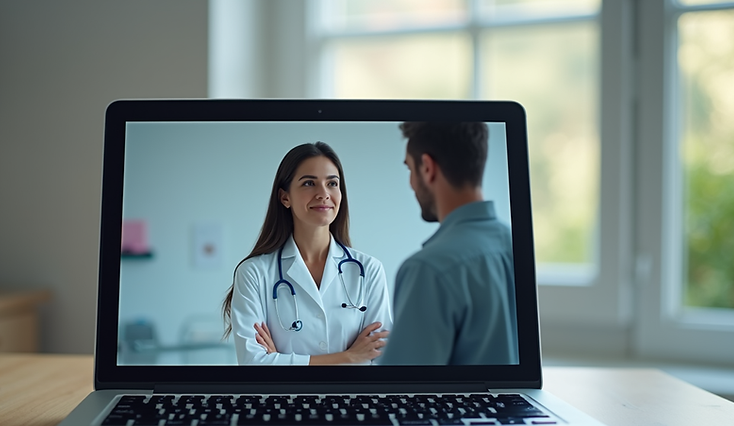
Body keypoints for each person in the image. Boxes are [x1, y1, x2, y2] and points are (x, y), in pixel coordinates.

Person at [222, 142, 391, 365]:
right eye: (309, 183)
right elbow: (254, 364)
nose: (323, 194)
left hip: (352, 399)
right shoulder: (254, 273)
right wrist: (349, 357)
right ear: (285, 197)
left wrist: (280, 361)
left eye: (332, 183)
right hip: (284, 400)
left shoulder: (369, 270)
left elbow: (380, 357)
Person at [379, 122, 519, 365]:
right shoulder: (515, 245)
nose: (411, 183)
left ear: (427, 168)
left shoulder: (428, 269)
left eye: (410, 170)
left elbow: (402, 389)